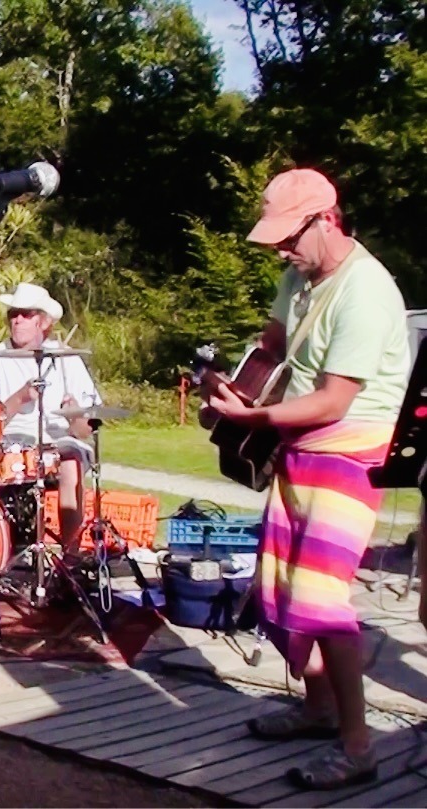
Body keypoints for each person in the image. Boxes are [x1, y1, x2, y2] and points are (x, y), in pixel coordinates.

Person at [206, 168, 409, 790]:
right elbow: (273, 341)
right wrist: (234, 380)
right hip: (298, 448)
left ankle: (358, 746)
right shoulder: (300, 274)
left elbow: (332, 401)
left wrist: (254, 414)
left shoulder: (365, 292)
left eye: (289, 238)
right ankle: (318, 711)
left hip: (347, 453)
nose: (281, 251)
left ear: (326, 220)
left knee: (323, 601)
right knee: (288, 590)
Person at [0, 282, 101, 557]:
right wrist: (19, 398)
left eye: (26, 314)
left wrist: (76, 412)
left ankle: (72, 555)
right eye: (13, 314)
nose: (17, 320)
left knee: (70, 462)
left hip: (57, 441)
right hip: (11, 442)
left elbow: (84, 431)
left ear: (43, 322)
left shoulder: (67, 360)